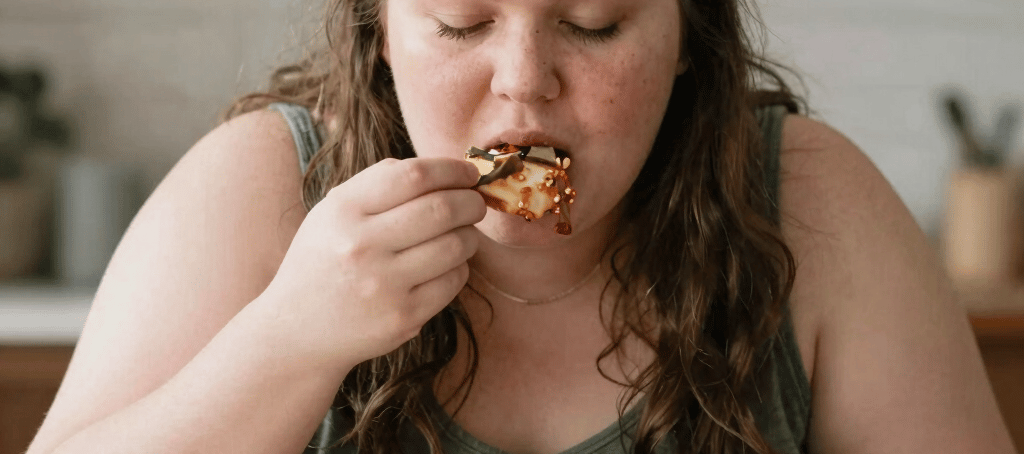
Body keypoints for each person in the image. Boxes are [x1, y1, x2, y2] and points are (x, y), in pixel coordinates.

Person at [26, 0, 1016, 452]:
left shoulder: (805, 197)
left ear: (685, 41)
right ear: (378, 34)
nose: (524, 84)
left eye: (593, 23)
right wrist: (288, 338)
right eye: (462, 22)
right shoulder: (265, 185)